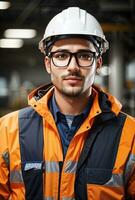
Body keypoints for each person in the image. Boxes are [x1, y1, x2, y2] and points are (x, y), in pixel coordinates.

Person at [0, 7, 135, 200]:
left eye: (84, 56)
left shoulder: (130, 135)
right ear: (48, 63)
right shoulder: (7, 130)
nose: (73, 67)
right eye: (61, 56)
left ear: (98, 64)